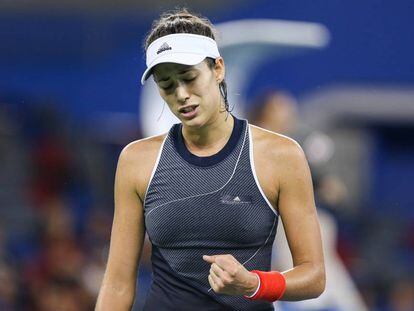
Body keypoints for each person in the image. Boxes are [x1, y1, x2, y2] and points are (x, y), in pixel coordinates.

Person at [96, 8, 325, 311]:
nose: (181, 94)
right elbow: (117, 284)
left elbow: (314, 275)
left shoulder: (281, 156)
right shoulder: (136, 161)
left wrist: (254, 284)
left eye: (189, 78)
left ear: (218, 69)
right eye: (167, 85)